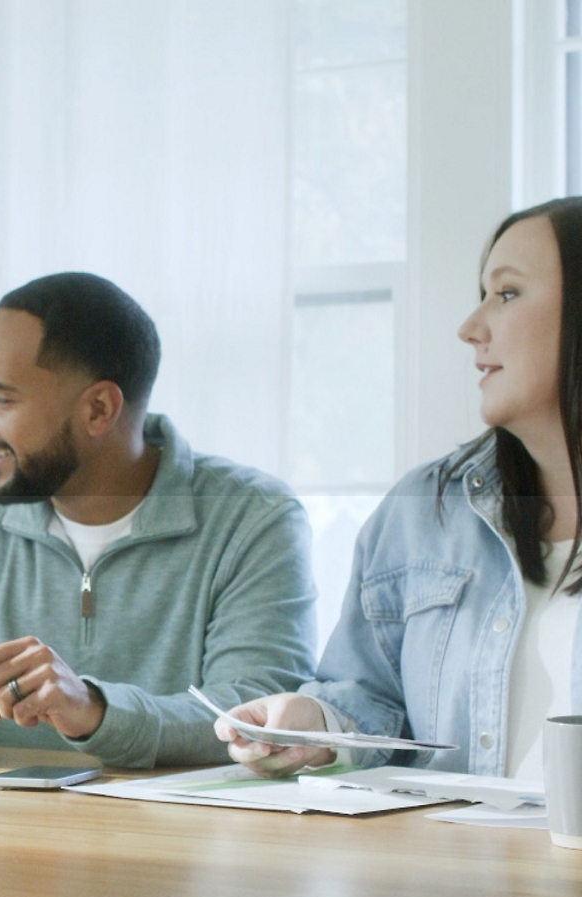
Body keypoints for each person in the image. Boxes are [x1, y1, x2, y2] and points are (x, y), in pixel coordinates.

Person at [0, 272, 317, 768]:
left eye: (1, 398)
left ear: (99, 409)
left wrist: (94, 710)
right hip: (4, 836)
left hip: (187, 839)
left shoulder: (255, 519)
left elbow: (259, 722)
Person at [216, 197, 582, 780]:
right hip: (456, 871)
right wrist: (315, 722)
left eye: (507, 294)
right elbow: (370, 699)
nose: (470, 328)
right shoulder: (422, 512)